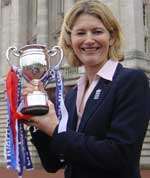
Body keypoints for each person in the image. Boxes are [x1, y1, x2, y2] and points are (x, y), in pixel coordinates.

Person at [23, 0, 150, 178]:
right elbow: (54, 163)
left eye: (97, 31)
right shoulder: (72, 94)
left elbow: (120, 156)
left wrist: (55, 129)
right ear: (70, 40)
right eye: (80, 33)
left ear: (111, 37)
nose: (89, 40)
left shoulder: (131, 81)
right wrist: (39, 120)